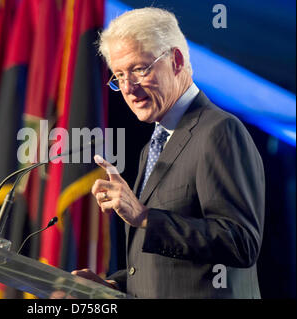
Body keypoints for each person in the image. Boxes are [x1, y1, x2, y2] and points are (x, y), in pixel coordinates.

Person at [71, 7, 265, 298]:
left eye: (139, 69)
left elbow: (240, 243)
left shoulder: (219, 130)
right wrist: (112, 286)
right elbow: (169, 268)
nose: (128, 88)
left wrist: (145, 217)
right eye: (119, 75)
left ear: (176, 60)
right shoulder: (152, 147)